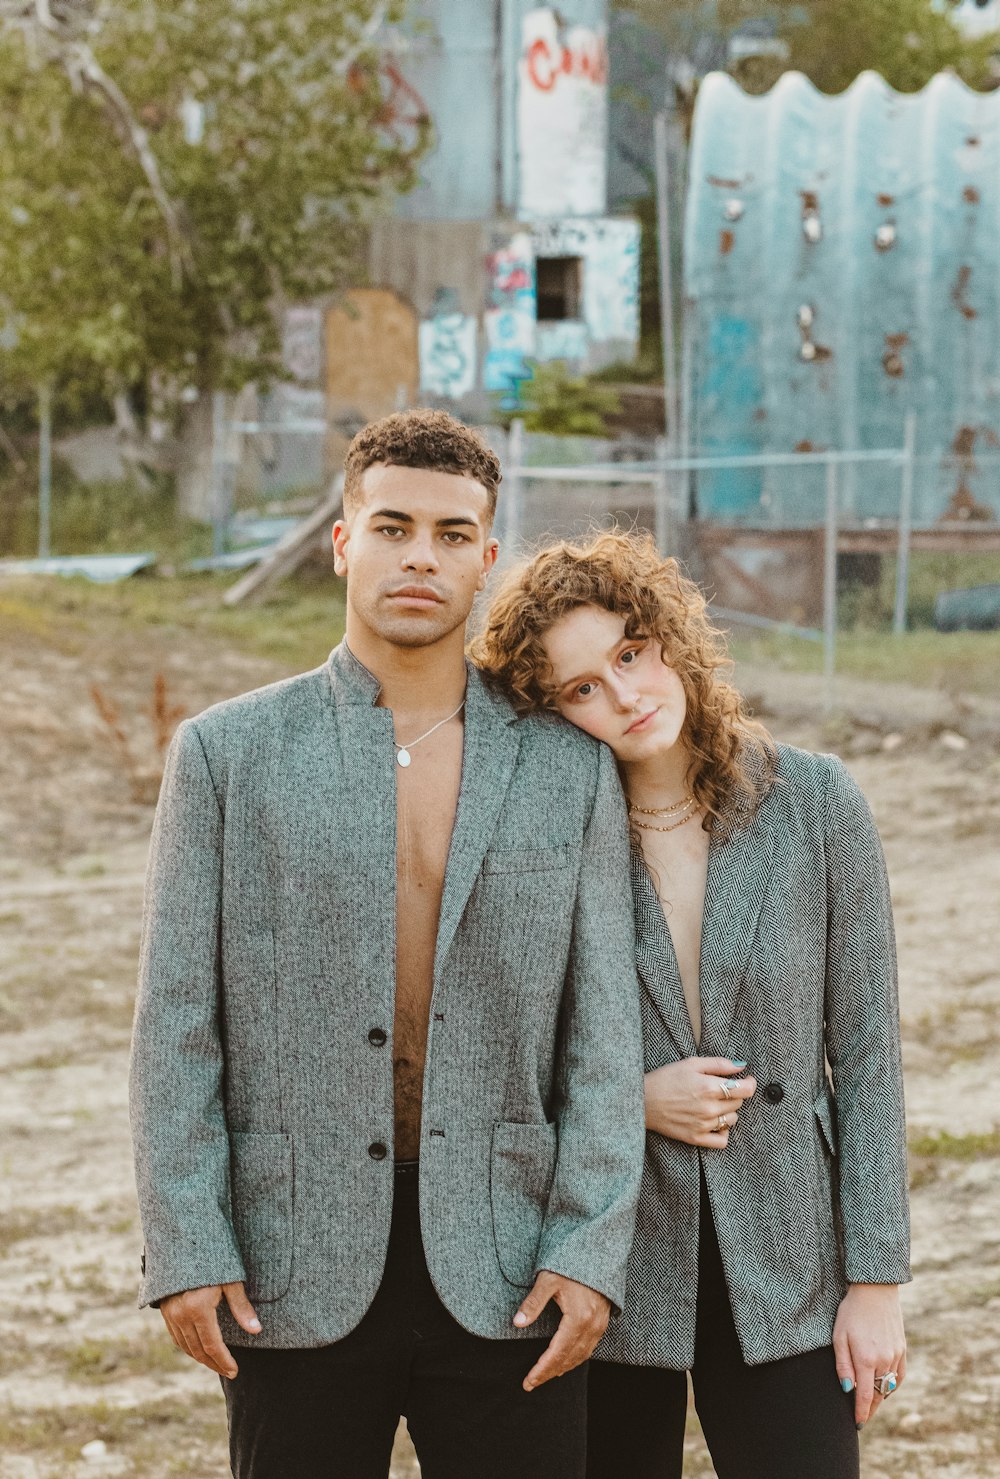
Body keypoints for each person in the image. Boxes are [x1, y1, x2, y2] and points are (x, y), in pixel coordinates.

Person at [129, 412, 645, 1479]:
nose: (422, 555)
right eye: (393, 526)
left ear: (487, 558)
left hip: (512, 1266)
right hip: (290, 1264)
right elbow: (177, 1022)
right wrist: (187, 1244)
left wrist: (590, 1248)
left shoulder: (566, 765)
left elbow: (600, 1029)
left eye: (454, 535)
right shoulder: (226, 755)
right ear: (341, 543)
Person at [473, 529, 911, 1479]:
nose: (626, 695)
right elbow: (498, 1057)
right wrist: (630, 1099)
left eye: (630, 653)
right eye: (581, 687)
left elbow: (870, 1053)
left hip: (793, 1257)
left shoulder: (816, 801)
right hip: (610, 1262)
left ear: (671, 634)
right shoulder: (541, 841)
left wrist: (875, 1283)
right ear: (549, 714)